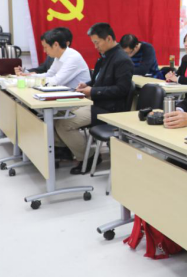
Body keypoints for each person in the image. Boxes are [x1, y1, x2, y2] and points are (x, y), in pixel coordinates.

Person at [57, 23, 134, 174]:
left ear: (109, 38)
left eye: (97, 43)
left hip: (109, 109)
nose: (95, 47)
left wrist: (93, 90)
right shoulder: (105, 57)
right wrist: (87, 84)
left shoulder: (122, 60)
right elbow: (99, 80)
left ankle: (90, 157)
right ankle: (67, 150)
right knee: (59, 114)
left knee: (64, 124)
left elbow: (122, 89)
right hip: (97, 103)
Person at [18, 28, 90, 89]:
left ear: (56, 45)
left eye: (45, 47)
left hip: (79, 98)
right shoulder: (58, 56)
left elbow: (56, 81)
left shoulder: (73, 57)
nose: (44, 51)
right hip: (65, 94)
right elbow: (49, 74)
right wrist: (29, 76)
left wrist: (30, 81)